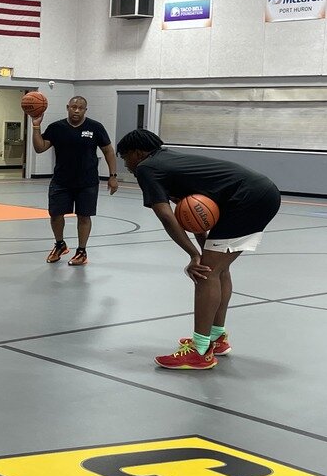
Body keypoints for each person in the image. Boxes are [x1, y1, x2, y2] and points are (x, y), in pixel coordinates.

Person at [116, 129, 281, 369]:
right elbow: (194, 211)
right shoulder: (169, 161)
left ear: (137, 153)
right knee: (217, 269)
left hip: (246, 199)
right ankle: (216, 337)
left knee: (204, 273)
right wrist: (202, 246)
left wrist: (194, 255)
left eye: (125, 157)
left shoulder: (147, 168)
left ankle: (200, 351)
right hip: (260, 192)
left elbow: (165, 215)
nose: (126, 164)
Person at [31, 96, 119, 266]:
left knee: (84, 217)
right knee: (55, 215)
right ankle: (60, 245)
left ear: (85, 110)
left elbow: (108, 151)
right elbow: (39, 147)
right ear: (67, 107)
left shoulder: (95, 127)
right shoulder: (56, 127)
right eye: (73, 107)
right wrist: (36, 125)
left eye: (80, 108)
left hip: (87, 182)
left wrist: (112, 176)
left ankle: (81, 251)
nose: (76, 110)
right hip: (61, 181)